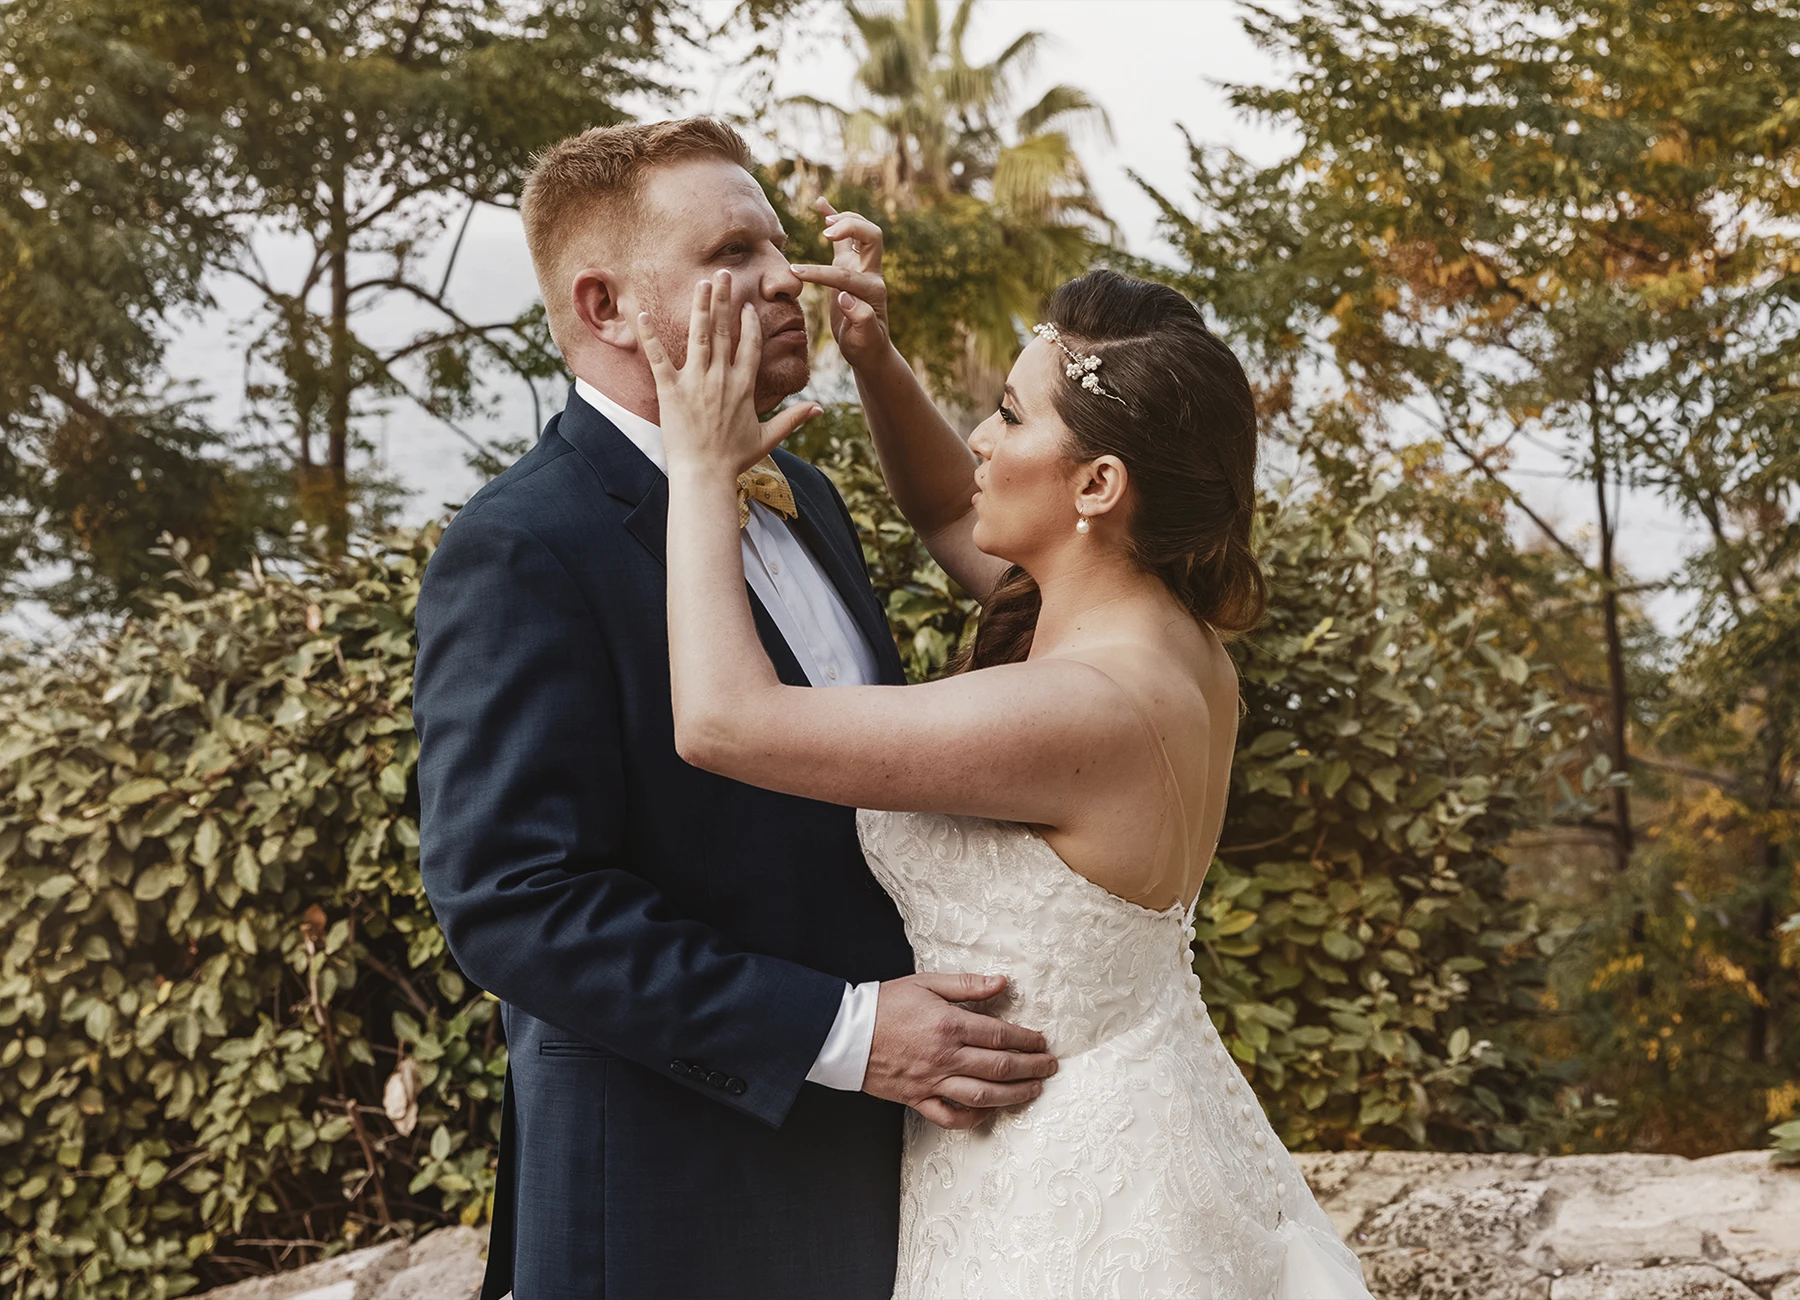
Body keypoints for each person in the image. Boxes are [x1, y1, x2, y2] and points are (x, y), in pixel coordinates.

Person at [638, 207, 1376, 1296]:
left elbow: (722, 721)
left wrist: (699, 471)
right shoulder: (1158, 631)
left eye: (1008, 415)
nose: (981, 438)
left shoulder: (1078, 707)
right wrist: (874, 358)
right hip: (1140, 1126)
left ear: (1098, 486)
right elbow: (948, 499)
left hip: (1059, 1194)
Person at [411, 118, 1057, 1300]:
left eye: (778, 242)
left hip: (886, 1178)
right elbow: (511, 900)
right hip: (679, 1205)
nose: (785, 280)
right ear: (605, 308)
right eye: (731, 256)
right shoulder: (519, 548)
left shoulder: (802, 488)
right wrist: (848, 1034)